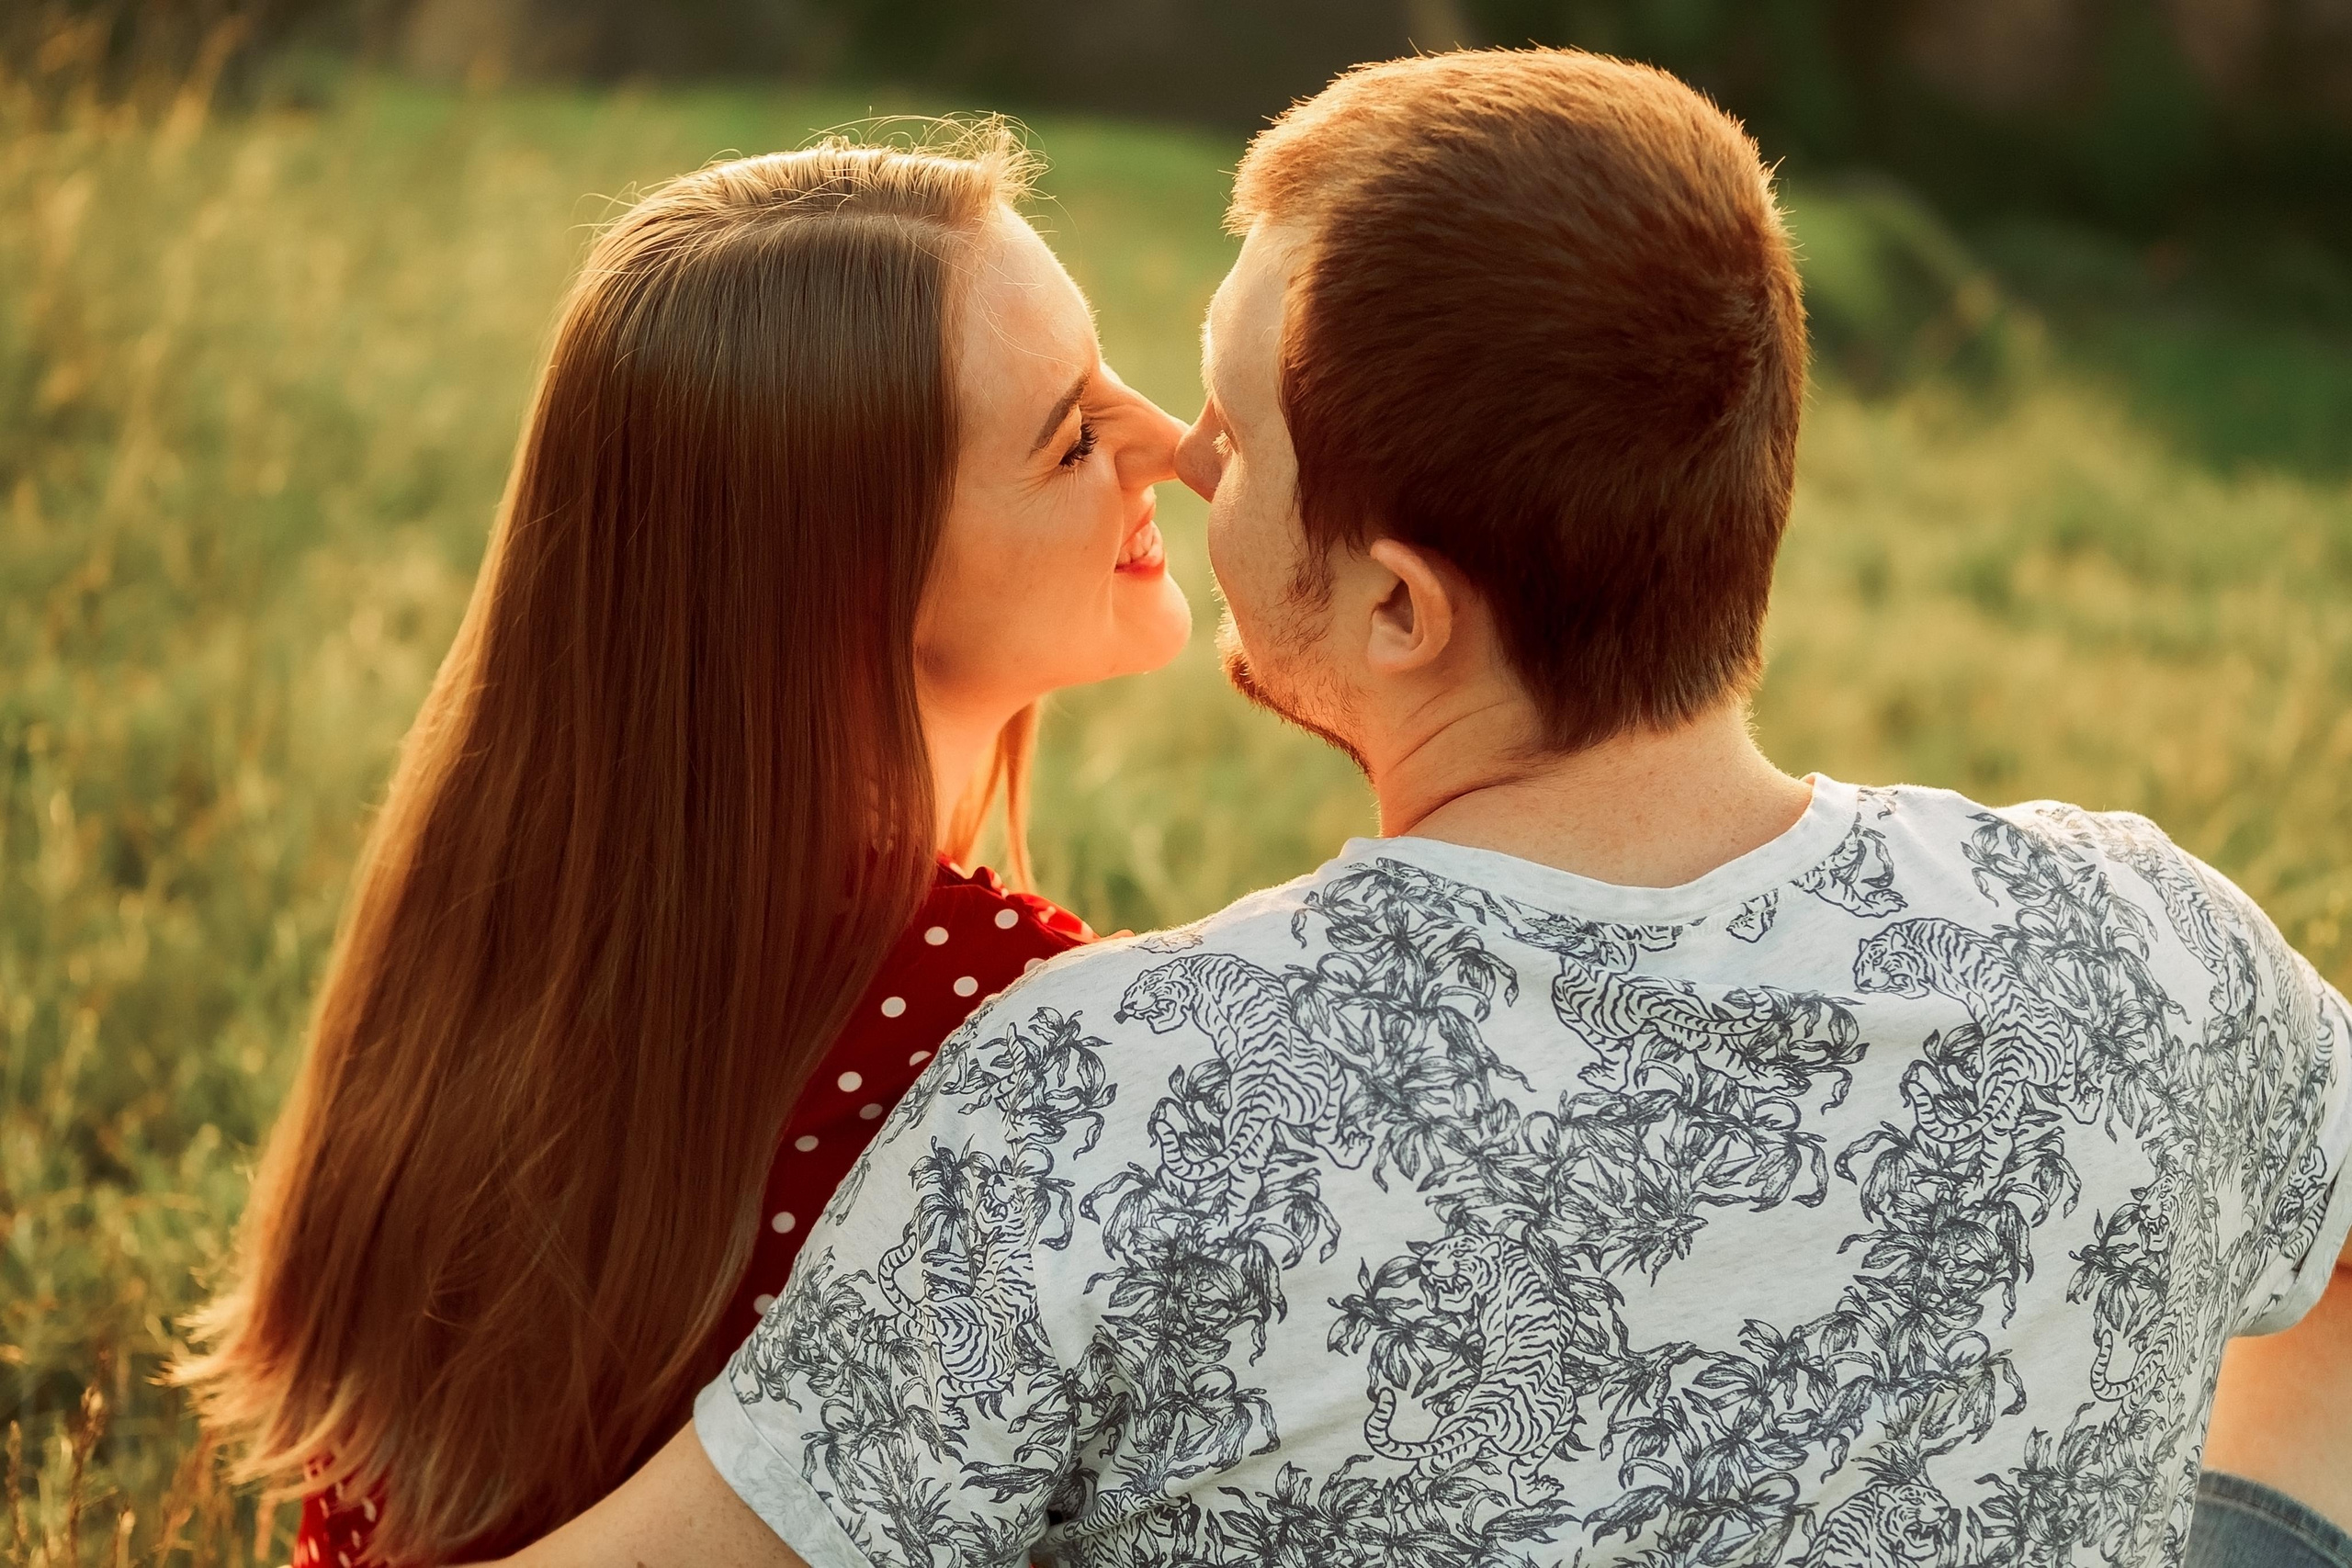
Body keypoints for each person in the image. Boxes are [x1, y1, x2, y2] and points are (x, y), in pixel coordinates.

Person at [510, 48, 2352, 1568]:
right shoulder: (2140, 941)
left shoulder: (1102, 1104)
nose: (1186, 452)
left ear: (1399, 604)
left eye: (1234, 418)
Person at [174, 130, 1193, 1567]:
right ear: (853, 578)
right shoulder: (1018, 1028)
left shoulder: (504, 920)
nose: (1171, 439)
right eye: (1073, 434)